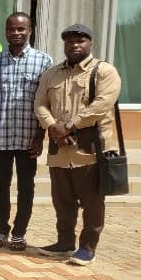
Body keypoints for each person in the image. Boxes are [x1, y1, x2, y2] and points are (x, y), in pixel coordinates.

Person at [34, 23, 121, 267]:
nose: (74, 45)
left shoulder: (103, 71)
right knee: (62, 200)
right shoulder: (52, 74)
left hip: (91, 148)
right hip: (59, 147)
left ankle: (87, 248)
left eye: (80, 41)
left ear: (90, 43)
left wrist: (69, 125)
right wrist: (54, 127)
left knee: (92, 201)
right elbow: (40, 104)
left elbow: (102, 104)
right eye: (70, 41)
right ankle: (64, 243)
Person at [0, 13, 53, 251]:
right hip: (2, 135)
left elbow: (46, 102)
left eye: (21, 29)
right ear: (5, 31)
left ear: (30, 31)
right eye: (11, 29)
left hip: (28, 137)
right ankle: (2, 229)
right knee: (1, 185)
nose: (16, 33)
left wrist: (40, 136)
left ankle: (20, 232)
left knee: (26, 185)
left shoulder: (44, 61)